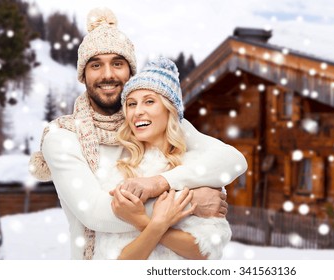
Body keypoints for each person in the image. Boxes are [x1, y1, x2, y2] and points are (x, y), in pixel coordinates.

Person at [29, 7, 247, 260]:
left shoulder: (151, 123)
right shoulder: (63, 137)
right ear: (83, 75)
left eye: (118, 63)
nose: (108, 74)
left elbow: (232, 160)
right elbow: (97, 213)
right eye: (96, 65)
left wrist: (160, 184)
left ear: (130, 71)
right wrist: (191, 201)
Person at [94, 57, 231, 259]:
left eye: (149, 101)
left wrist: (142, 222)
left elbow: (205, 252)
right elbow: (117, 262)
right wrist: (158, 222)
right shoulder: (119, 171)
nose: (138, 112)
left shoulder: (197, 168)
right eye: (131, 104)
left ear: (170, 110)